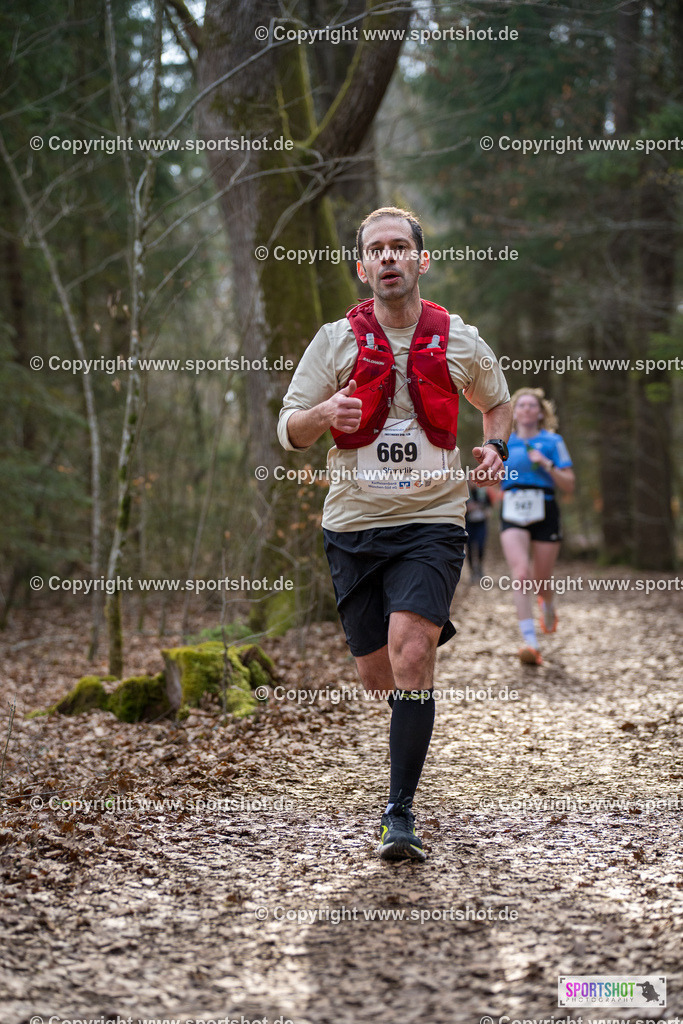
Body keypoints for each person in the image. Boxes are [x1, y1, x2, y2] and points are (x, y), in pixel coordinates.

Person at [277, 206, 511, 862]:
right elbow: (288, 427)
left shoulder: (457, 338)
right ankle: (421, 620)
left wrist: (494, 447)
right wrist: (321, 413)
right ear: (361, 266)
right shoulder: (335, 341)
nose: (387, 258)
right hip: (353, 526)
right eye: (375, 250)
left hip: (432, 521)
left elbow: (494, 402)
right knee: (379, 677)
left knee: (410, 657)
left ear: (419, 260)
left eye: (399, 248)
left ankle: (398, 813)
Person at [499, 387, 575, 666]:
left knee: (541, 580)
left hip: (545, 507)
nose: (527, 409)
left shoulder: (553, 441)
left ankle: (548, 603)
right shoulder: (503, 442)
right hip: (513, 509)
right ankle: (529, 642)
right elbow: (493, 480)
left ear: (541, 412)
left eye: (533, 406)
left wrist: (545, 463)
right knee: (520, 575)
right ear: (514, 412)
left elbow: (569, 483)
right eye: (522, 405)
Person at [465, 484, 492, 582]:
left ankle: (480, 567)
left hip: (481, 523)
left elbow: (490, 506)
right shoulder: (464, 493)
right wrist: (467, 509)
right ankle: (472, 572)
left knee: (481, 546)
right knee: (470, 548)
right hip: (469, 524)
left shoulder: (483, 492)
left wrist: (486, 511)